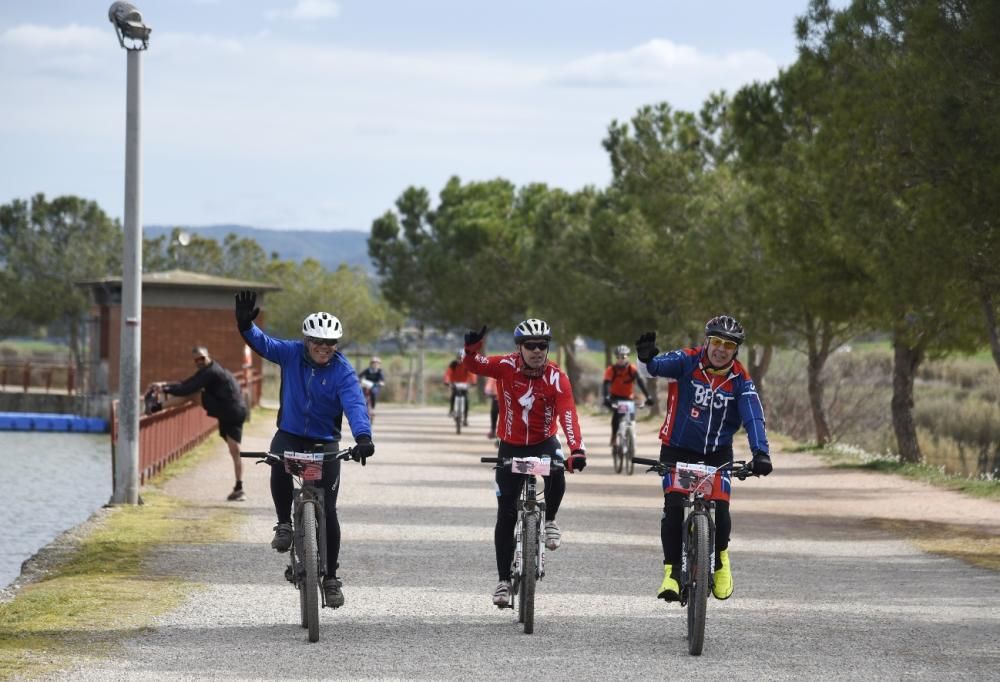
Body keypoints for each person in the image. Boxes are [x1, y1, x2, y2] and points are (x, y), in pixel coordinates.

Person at [234, 290, 375, 609]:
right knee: (276, 459)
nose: (324, 349)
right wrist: (245, 327)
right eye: (317, 342)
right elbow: (264, 344)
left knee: (329, 510)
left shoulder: (343, 370)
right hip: (291, 434)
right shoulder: (291, 353)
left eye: (330, 344)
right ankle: (284, 522)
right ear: (307, 341)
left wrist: (363, 437)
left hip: (325, 441)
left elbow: (354, 404)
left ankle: (331, 578)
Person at [635, 315, 772, 603]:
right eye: (717, 342)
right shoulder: (687, 360)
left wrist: (761, 453)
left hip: (717, 453)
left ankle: (720, 562)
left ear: (736, 350)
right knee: (673, 507)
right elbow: (656, 368)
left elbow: (753, 417)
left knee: (721, 510)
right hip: (677, 448)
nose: (722, 349)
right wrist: (646, 358)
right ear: (707, 341)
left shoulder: (741, 380)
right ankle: (671, 573)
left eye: (729, 345)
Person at [463, 319, 588, 608]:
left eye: (542, 345)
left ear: (547, 348)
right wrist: (470, 349)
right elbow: (475, 365)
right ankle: (503, 581)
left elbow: (568, 414)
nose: (536, 351)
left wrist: (577, 449)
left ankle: (552, 520)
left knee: (558, 469)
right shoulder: (505, 366)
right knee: (505, 514)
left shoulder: (558, 377)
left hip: (544, 442)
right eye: (530, 345)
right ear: (519, 347)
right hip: (511, 445)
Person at [153, 346, 248, 502]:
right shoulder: (211, 370)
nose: (199, 362)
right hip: (236, 410)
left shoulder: (211, 372)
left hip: (228, 409)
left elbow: (188, 388)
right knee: (235, 451)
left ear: (208, 356)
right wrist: (166, 385)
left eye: (202, 358)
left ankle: (156, 407)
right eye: (196, 360)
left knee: (193, 394)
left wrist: (164, 388)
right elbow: (188, 382)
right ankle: (239, 488)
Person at [602, 344, 653, 447]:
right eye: (618, 357)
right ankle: (614, 437)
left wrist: (648, 396)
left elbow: (641, 383)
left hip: (628, 398)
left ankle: (630, 436)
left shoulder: (632, 369)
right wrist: (606, 397)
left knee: (631, 418)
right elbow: (606, 384)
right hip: (615, 397)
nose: (621, 359)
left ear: (627, 357)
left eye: (623, 357)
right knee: (617, 416)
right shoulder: (611, 370)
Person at [443, 351, 476, 426]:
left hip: (464, 384)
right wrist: (447, 381)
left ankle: (465, 419)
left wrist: (473, 382)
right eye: (458, 358)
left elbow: (471, 374)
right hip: (455, 383)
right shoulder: (453, 364)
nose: (460, 360)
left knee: (466, 401)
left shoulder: (467, 365)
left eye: (461, 358)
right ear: (456, 358)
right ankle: (451, 410)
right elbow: (448, 373)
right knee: (453, 395)